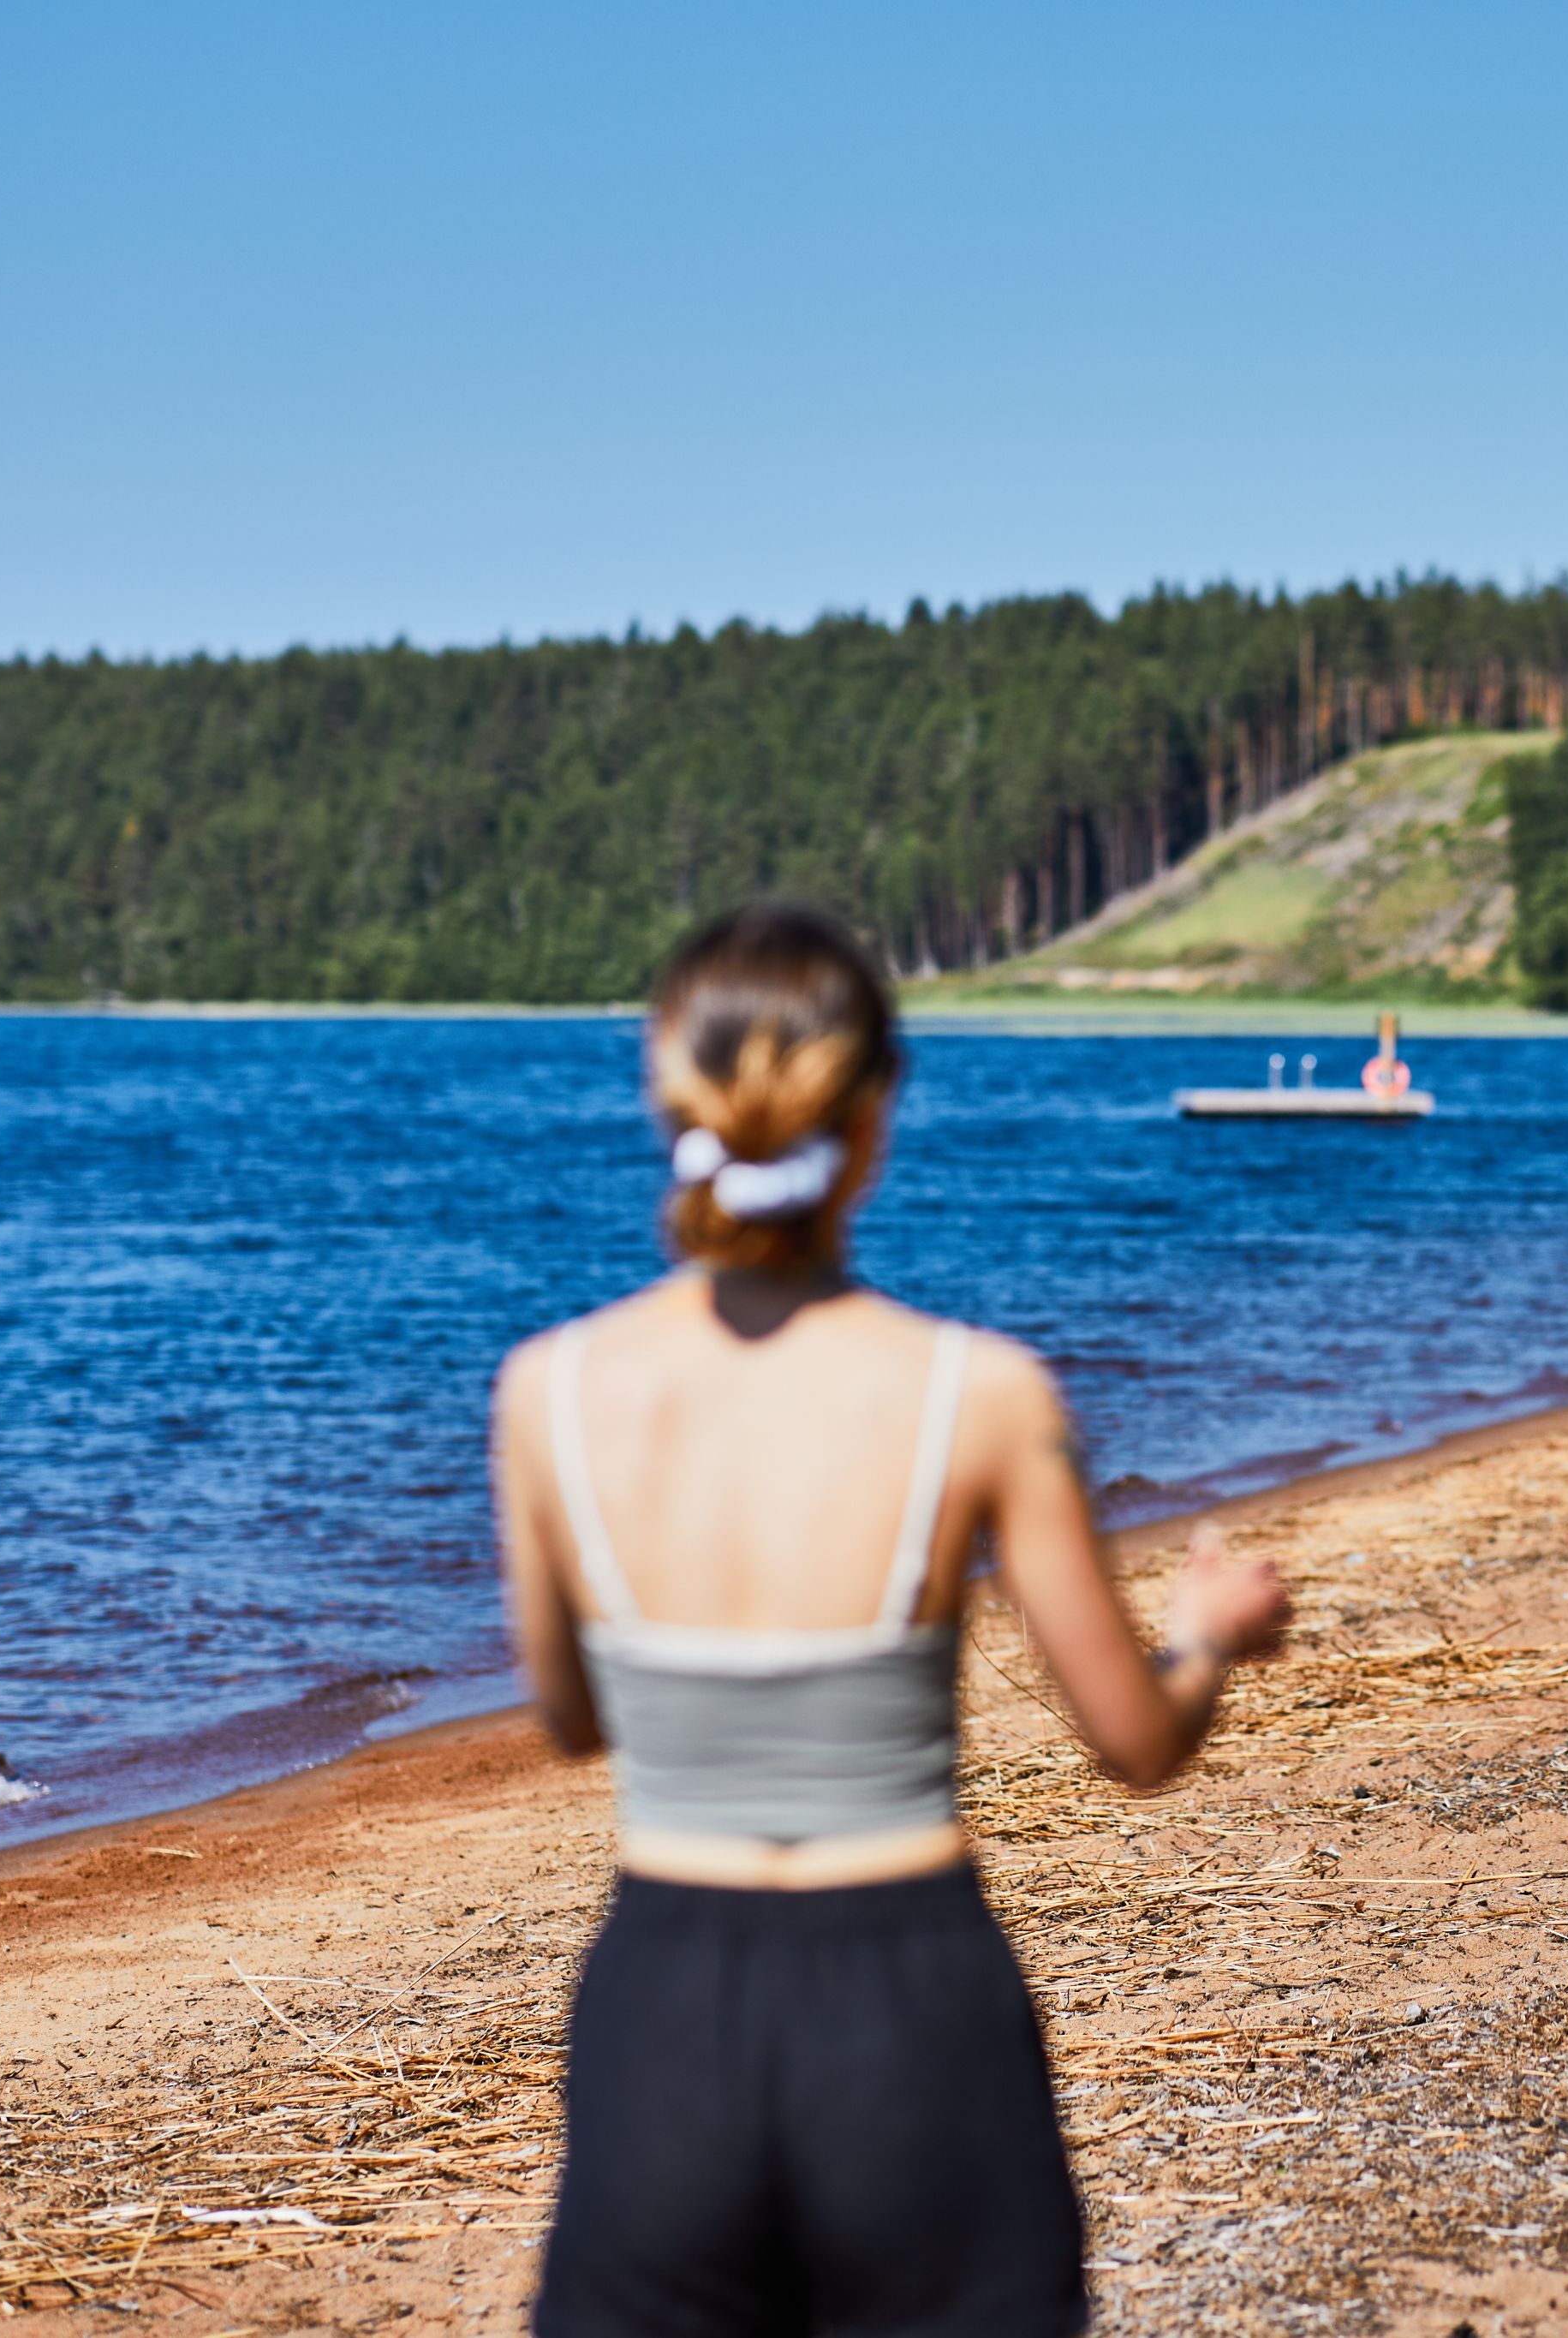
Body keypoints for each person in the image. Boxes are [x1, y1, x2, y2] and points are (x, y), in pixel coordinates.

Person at [491, 902, 1290, 2335]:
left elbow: (565, 1716)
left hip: (665, 2002)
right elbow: (1136, 1742)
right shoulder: (975, 1393)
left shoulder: (548, 1393)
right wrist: (1207, 1631)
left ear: (669, 1106)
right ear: (875, 1122)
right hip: (909, 2006)